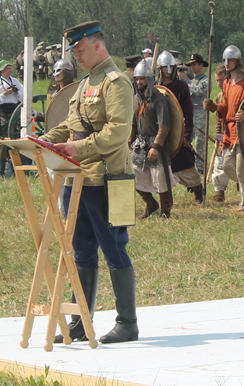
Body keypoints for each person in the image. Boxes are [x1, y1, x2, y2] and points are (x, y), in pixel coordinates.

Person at [42, 21, 138, 344]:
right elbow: (70, 127)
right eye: (75, 52)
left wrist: (77, 148)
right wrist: (42, 141)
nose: (77, 57)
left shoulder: (117, 83)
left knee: (114, 248)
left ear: (97, 45)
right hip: (77, 179)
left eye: (80, 50)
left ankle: (127, 323)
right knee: (81, 251)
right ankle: (81, 322)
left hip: (107, 179)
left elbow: (118, 132)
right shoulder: (84, 84)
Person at [203, 46, 244, 212]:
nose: (226, 63)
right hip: (230, 131)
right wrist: (215, 107)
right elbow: (227, 107)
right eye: (225, 60)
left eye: (230, 60)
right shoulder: (226, 83)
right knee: (226, 165)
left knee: (242, 169)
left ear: (237, 61)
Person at [156, 51, 204, 203]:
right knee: (161, 165)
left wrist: (186, 135)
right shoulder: (155, 87)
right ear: (160, 68)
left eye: (171, 67)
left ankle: (197, 188)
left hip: (177, 131)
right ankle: (166, 198)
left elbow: (188, 112)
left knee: (184, 163)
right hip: (160, 131)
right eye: (165, 67)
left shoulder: (181, 86)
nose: (168, 70)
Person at [130, 59, 174, 219]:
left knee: (160, 178)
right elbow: (134, 123)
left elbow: (164, 126)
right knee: (133, 174)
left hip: (156, 143)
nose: (139, 82)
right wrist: (130, 141)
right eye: (137, 79)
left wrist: (156, 147)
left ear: (149, 79)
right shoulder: (137, 98)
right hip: (140, 143)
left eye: (142, 79)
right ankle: (150, 203)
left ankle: (165, 211)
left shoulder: (158, 99)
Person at [208, 64, 230, 203]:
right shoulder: (219, 97)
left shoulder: (237, 94)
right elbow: (218, 119)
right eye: (217, 80)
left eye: (221, 80)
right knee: (219, 162)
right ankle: (219, 191)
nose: (219, 83)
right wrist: (218, 135)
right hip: (224, 135)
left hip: (238, 135)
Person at [186, 53, 210, 180]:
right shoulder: (192, 80)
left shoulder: (206, 80)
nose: (192, 67)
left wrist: (186, 80)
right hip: (191, 111)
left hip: (201, 112)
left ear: (201, 65)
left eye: (194, 64)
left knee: (200, 141)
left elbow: (199, 91)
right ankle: (189, 164)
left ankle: (201, 167)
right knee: (187, 139)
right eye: (191, 65)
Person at [0, 61, 24, 139]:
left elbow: (23, 96)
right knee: (4, 129)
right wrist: (5, 93)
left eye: (10, 69)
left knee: (16, 129)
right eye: (8, 69)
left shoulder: (15, 81)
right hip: (3, 110)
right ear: (2, 70)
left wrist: (17, 92)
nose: (10, 71)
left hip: (14, 108)